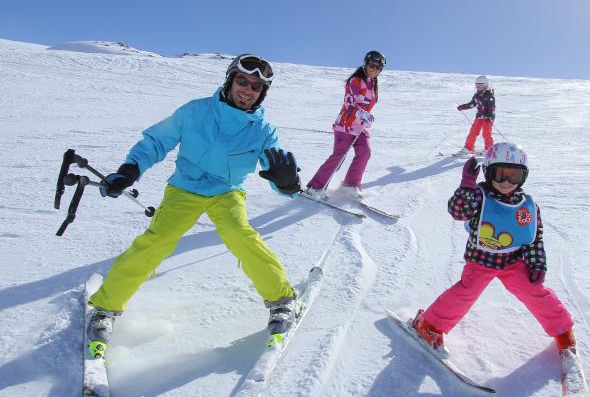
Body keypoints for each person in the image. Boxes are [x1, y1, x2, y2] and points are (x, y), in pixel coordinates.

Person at [86, 54, 303, 356]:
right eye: (242, 81)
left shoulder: (263, 130)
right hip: (184, 188)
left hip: (227, 191)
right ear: (230, 80)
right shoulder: (195, 111)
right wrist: (129, 170)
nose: (247, 90)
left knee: (239, 233)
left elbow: (275, 164)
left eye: (255, 87)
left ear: (261, 93)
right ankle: (105, 307)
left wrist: (287, 184)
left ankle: (282, 300)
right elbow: (156, 141)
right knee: (158, 240)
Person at [411, 142, 577, 360]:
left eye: (514, 176)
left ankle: (562, 330)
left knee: (535, 292)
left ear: (523, 177)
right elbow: (458, 212)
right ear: (488, 173)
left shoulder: (526, 205)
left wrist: (537, 262)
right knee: (465, 293)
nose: (506, 182)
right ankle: (430, 324)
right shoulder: (480, 196)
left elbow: (533, 236)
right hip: (481, 261)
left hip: (513, 262)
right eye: (500, 175)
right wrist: (467, 185)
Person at [305, 51, 385, 200]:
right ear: (365, 64)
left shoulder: (372, 82)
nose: (374, 70)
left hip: (360, 127)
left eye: (378, 68)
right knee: (339, 157)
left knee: (365, 152)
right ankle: (315, 187)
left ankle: (350, 185)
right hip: (346, 125)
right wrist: (361, 113)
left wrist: (366, 117)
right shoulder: (356, 80)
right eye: (372, 66)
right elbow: (349, 103)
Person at [456, 75, 495, 156]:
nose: (478, 86)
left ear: (485, 85)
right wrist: (462, 107)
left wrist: (489, 116)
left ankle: (489, 149)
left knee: (486, 133)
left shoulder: (489, 95)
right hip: (479, 117)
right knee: (473, 132)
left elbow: (492, 107)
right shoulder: (476, 95)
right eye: (477, 85)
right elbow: (472, 104)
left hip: (487, 117)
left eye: (480, 85)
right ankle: (468, 148)